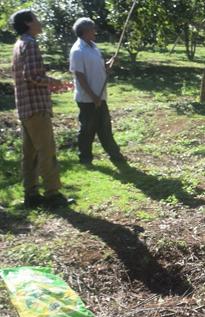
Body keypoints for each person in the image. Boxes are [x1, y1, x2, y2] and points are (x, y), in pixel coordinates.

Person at [10, 10, 73, 208]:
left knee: (29, 153)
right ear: (28, 23)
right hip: (37, 109)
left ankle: (32, 195)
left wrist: (48, 85)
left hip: (25, 106)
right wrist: (52, 81)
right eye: (36, 18)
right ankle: (52, 194)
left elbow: (28, 77)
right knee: (46, 150)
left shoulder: (19, 44)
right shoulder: (31, 44)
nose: (40, 21)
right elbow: (32, 75)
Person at [69, 17, 125, 166]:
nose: (95, 32)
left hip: (100, 96)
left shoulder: (93, 47)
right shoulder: (77, 51)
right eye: (93, 29)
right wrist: (93, 96)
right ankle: (85, 159)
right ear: (86, 30)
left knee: (105, 127)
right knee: (87, 130)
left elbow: (101, 67)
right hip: (87, 99)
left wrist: (110, 63)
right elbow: (79, 76)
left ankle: (115, 155)